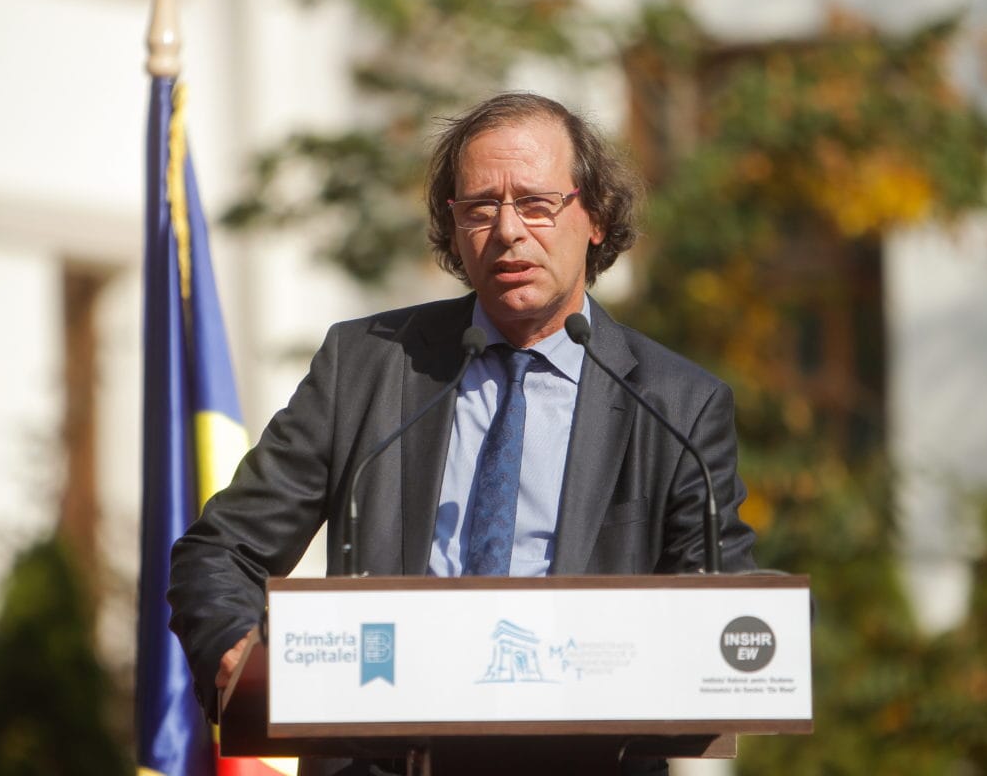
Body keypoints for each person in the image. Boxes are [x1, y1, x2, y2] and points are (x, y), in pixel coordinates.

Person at [168, 92, 757, 774]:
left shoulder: (675, 405)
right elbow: (220, 550)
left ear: (594, 217)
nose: (507, 231)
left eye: (536, 204)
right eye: (479, 208)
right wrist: (236, 652)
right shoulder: (366, 368)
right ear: (453, 230)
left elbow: (718, 608)